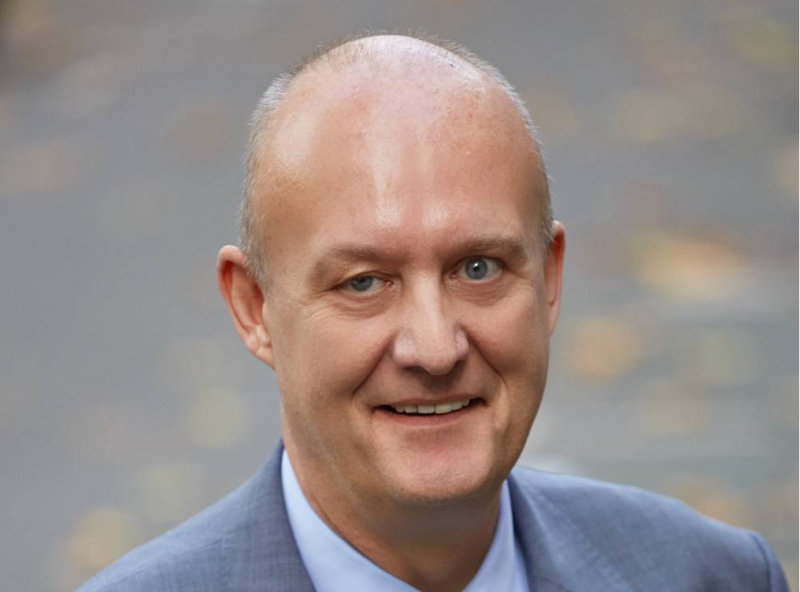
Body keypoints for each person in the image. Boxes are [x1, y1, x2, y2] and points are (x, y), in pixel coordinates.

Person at [79, 33, 789, 592]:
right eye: (364, 283)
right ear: (253, 306)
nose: (434, 346)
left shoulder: (711, 577)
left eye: (477, 268)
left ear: (547, 280)